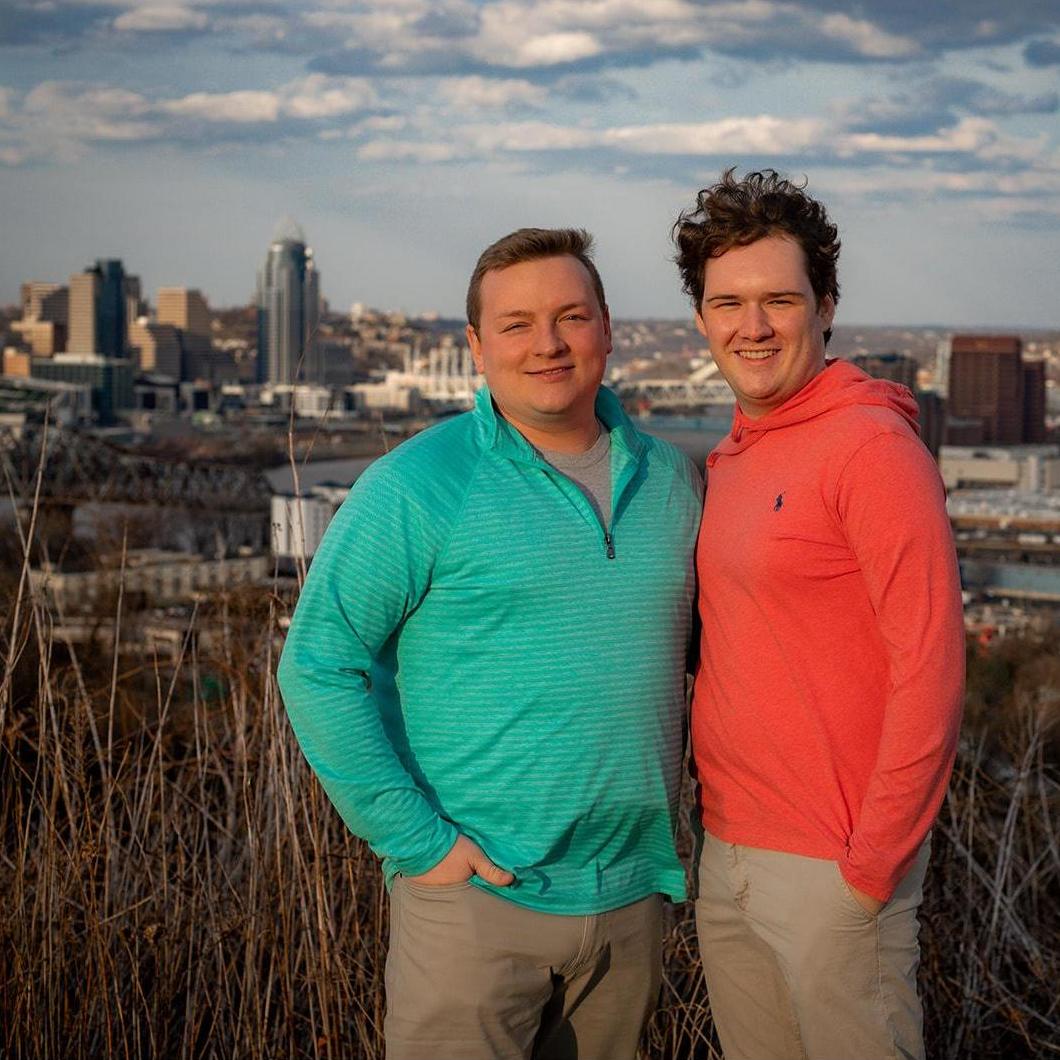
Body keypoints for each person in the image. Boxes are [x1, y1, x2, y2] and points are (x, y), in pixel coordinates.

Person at [277, 227, 702, 1060]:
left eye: (570, 316)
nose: (548, 344)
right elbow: (318, 663)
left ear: (607, 328)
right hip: (476, 900)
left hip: (630, 901)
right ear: (476, 347)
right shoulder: (417, 485)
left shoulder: (674, 480)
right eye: (516, 324)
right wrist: (418, 843)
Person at [672, 170, 965, 1060]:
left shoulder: (872, 449)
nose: (752, 326)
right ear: (702, 319)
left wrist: (870, 866)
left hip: (835, 870)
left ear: (826, 306)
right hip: (728, 852)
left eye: (780, 300)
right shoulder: (734, 456)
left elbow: (931, 668)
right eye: (728, 302)